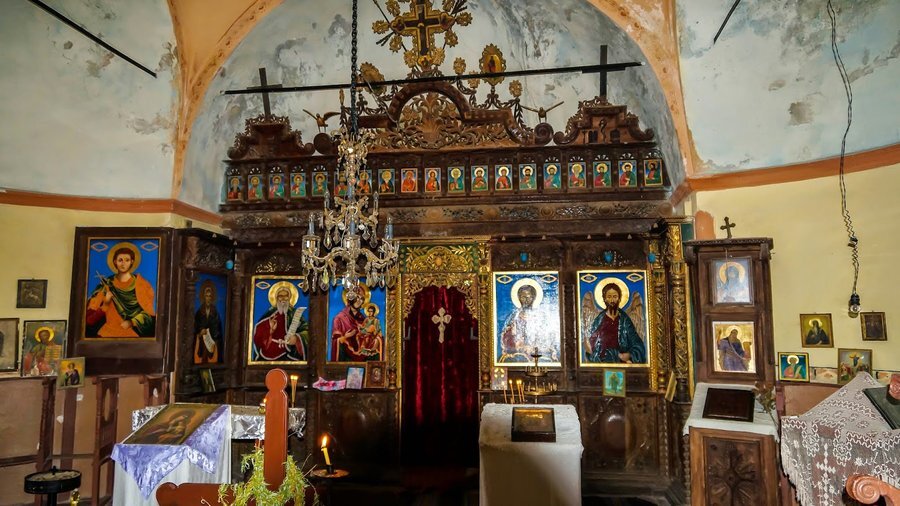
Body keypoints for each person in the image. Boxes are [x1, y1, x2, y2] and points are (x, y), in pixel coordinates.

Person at [86, 245, 156, 337]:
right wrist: (105, 305)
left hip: (132, 334)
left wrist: (132, 322)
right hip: (107, 333)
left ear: (132, 262)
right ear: (115, 262)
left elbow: (149, 314)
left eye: (127, 260)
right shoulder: (106, 285)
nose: (123, 263)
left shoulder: (142, 285)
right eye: (120, 260)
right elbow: (89, 320)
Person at [585, 283, 646, 363]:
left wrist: (629, 354)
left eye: (615, 297)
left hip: (621, 361)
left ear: (619, 299)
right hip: (603, 362)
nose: (612, 300)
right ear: (604, 299)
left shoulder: (624, 320)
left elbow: (636, 342)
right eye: (609, 297)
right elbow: (592, 342)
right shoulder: (599, 319)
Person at [498, 284, 556, 363]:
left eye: (529, 297)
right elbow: (506, 337)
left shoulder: (541, 317)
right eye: (523, 297)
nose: (526, 300)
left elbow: (547, 337)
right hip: (518, 354)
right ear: (519, 298)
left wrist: (534, 347)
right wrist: (519, 345)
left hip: (537, 354)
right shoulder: (513, 317)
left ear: (534, 298)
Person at [252, 285, 308, 361]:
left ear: (289, 297)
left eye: (286, 296)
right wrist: (269, 327)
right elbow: (258, 334)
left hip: (290, 354)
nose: (283, 299)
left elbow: (307, 331)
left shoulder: (295, 314)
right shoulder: (270, 314)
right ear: (276, 298)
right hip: (268, 354)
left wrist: (296, 339)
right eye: (280, 296)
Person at [330, 287, 368, 362]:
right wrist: (346, 336)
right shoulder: (339, 318)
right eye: (356, 297)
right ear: (350, 300)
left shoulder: (364, 320)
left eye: (361, 298)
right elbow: (336, 340)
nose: (359, 301)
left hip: (362, 356)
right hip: (345, 357)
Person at [193, 282, 223, 364]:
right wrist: (200, 332)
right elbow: (195, 328)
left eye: (210, 296)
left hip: (212, 344)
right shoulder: (199, 313)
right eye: (206, 296)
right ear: (203, 297)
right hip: (201, 344)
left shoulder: (215, 313)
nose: (208, 298)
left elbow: (218, 329)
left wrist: (213, 335)